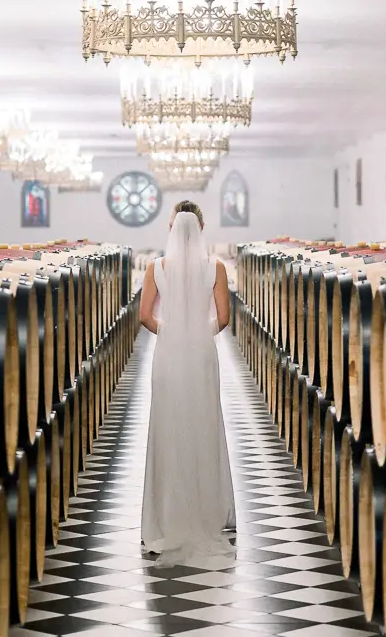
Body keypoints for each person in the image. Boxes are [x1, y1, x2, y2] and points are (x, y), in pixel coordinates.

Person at [139, 200, 236, 567]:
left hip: (168, 353)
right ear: (201, 227)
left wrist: (173, 333)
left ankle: (165, 516)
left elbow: (145, 317)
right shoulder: (216, 268)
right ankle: (206, 512)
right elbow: (223, 318)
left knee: (168, 425)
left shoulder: (156, 268)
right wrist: (198, 333)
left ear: (170, 229)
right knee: (203, 424)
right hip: (200, 353)